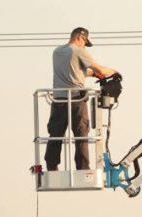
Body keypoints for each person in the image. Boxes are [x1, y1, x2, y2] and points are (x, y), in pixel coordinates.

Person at [45, 27, 118, 171]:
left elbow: (73, 72)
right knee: (81, 135)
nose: (85, 46)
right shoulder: (78, 51)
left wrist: (92, 75)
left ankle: (51, 165)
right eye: (85, 42)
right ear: (80, 37)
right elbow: (101, 70)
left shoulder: (57, 52)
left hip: (59, 100)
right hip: (76, 100)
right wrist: (114, 72)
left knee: (56, 134)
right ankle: (83, 168)